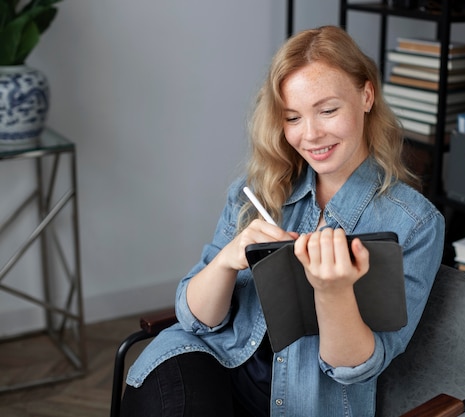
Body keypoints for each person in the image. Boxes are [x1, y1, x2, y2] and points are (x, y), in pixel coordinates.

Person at [121, 25, 444, 417]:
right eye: (292, 117)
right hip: (205, 361)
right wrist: (227, 259)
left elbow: (357, 368)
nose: (310, 134)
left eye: (327, 110)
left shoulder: (413, 223)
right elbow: (196, 319)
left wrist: (333, 292)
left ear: (366, 95)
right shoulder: (258, 190)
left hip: (305, 404)